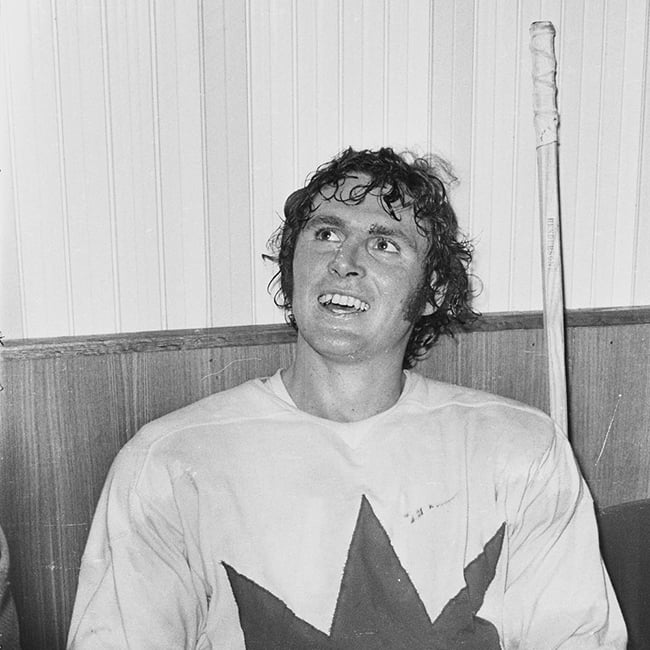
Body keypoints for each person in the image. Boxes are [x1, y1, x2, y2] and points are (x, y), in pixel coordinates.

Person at [67, 147, 626, 648]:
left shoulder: (522, 451)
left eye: (384, 244)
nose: (345, 261)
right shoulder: (167, 462)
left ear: (431, 291)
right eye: (326, 234)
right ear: (291, 269)